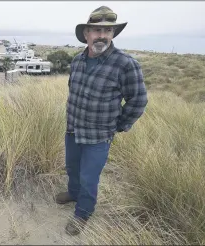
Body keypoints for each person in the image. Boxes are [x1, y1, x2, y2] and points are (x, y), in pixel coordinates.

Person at [56, 6, 148, 235]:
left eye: (108, 30)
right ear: (86, 33)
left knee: (89, 177)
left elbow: (138, 101)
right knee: (72, 168)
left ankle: (83, 212)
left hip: (98, 137)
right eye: (97, 30)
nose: (102, 35)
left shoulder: (125, 64)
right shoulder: (77, 61)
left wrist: (119, 125)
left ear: (113, 34)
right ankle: (74, 193)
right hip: (73, 130)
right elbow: (72, 92)